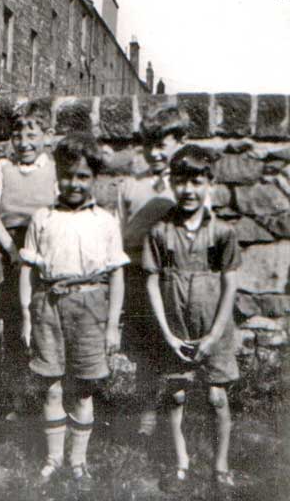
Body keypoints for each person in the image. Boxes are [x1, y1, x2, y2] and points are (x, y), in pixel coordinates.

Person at [19, 132, 129, 486]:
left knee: (83, 387)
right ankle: (53, 458)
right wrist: (26, 316)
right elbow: (28, 271)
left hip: (90, 307)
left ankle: (77, 462)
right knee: (51, 386)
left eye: (82, 176)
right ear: (57, 175)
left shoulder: (106, 221)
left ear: (94, 178)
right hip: (48, 306)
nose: (74, 183)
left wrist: (112, 325)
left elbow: (116, 276)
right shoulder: (43, 218)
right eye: (67, 175)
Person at [142, 144, 241, 492]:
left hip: (214, 327)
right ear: (171, 183)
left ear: (209, 184)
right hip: (176, 328)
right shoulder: (160, 232)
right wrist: (167, 333)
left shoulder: (221, 232)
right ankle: (181, 461)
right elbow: (152, 279)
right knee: (177, 394)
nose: (188, 190)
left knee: (217, 397)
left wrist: (214, 335)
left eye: (197, 182)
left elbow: (230, 283)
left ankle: (220, 463)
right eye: (181, 181)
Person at [117, 104, 189, 439]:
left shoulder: (186, 186)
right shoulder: (132, 185)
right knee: (144, 349)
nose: (155, 152)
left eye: (163, 144)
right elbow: (121, 233)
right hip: (137, 277)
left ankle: (179, 416)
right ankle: (146, 412)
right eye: (149, 145)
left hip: (173, 278)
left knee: (175, 345)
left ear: (180, 142)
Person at [0, 100, 57, 417]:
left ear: (46, 136)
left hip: (44, 246)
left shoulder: (55, 168)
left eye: (32, 135)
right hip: (9, 247)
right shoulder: (2, 168)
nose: (24, 143)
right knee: (14, 324)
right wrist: (13, 252)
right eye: (18, 135)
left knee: (44, 320)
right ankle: (16, 399)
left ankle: (48, 397)